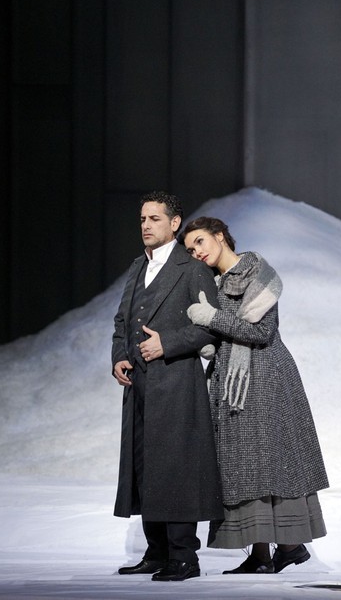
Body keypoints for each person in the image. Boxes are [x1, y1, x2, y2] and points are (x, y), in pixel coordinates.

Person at [181, 216, 329, 575]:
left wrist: (211, 319)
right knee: (241, 464)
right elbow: (223, 331)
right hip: (231, 380)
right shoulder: (211, 283)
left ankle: (290, 546)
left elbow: (260, 331)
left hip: (264, 375)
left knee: (267, 461)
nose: (196, 252)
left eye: (200, 241)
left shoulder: (256, 270)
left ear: (220, 236)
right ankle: (262, 554)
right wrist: (208, 343)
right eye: (190, 249)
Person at [111, 194, 223, 582]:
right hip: (140, 384)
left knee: (176, 467)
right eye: (142, 218)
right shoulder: (137, 267)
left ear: (174, 224)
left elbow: (212, 325)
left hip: (176, 381)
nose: (146, 225)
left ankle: (184, 557)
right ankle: (156, 551)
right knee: (145, 465)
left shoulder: (192, 269)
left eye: (154, 218)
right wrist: (119, 355)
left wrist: (167, 343)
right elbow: (121, 321)